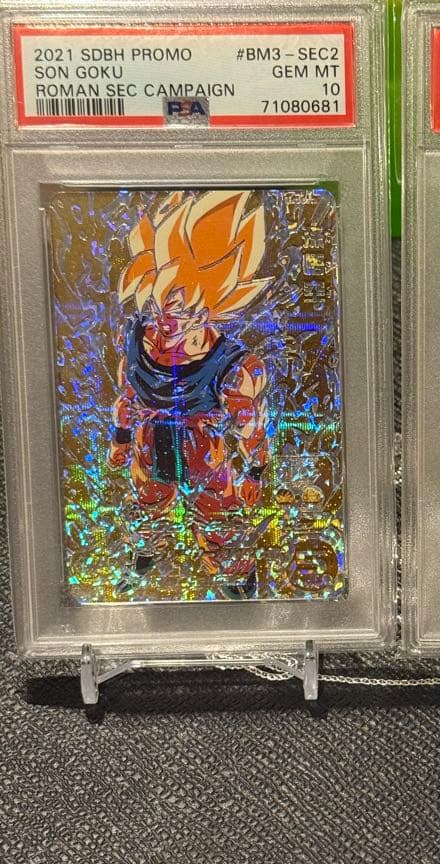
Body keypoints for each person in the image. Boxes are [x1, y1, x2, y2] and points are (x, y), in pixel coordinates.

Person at [109, 190, 271, 599]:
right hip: (150, 447)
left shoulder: (231, 364)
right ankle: (144, 558)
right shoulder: (137, 341)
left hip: (205, 454)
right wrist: (121, 439)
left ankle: (236, 578)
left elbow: (249, 422)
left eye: (178, 311)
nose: (164, 323)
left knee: (218, 520)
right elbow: (127, 397)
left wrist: (254, 471)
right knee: (147, 509)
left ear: (205, 309)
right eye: (156, 309)